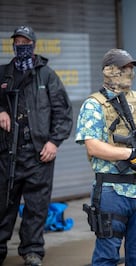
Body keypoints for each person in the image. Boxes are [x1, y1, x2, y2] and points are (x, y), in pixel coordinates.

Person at [75, 48, 136, 266]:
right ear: (108, 71)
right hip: (112, 192)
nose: (128, 72)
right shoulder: (94, 104)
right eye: (122, 67)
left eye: (130, 67)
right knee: (107, 256)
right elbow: (92, 146)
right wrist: (130, 153)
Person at [0, 25, 73, 266]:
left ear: (33, 44)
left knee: (36, 206)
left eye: (25, 42)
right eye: (17, 41)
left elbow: (63, 112)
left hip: (39, 155)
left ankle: (32, 251)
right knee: (3, 204)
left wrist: (54, 142)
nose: (21, 45)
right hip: (7, 155)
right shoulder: (4, 73)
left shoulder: (47, 76)